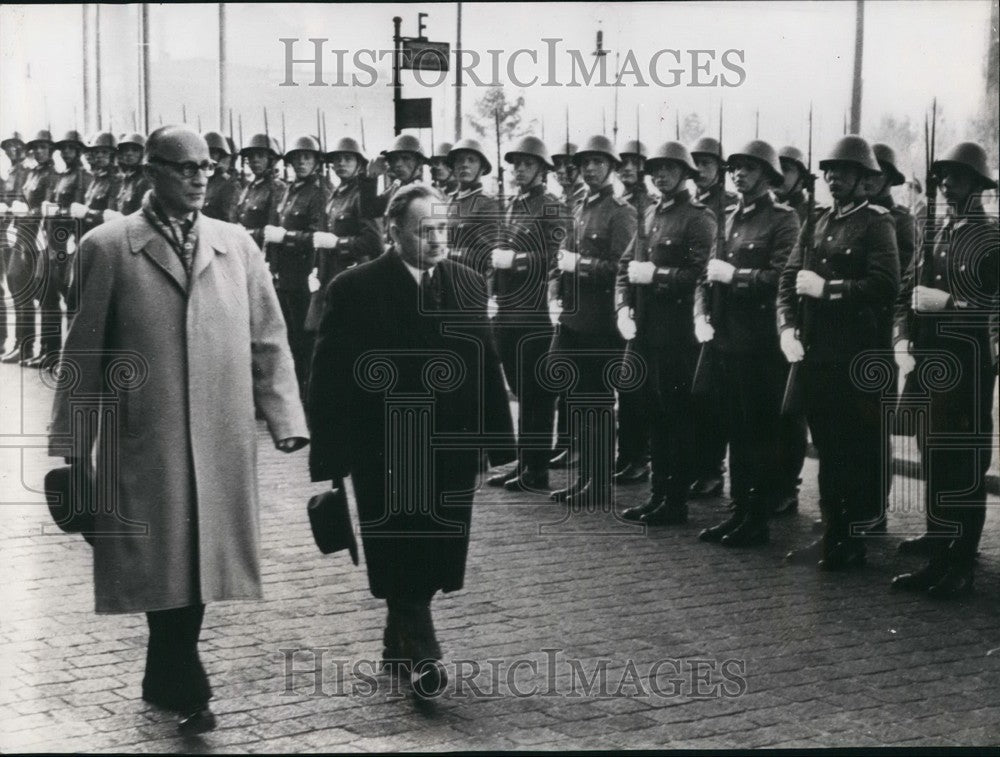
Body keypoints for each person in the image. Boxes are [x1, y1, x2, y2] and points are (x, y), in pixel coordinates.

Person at [47, 125, 308, 732]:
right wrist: (70, 450)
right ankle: (184, 673)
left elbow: (268, 337)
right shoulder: (108, 246)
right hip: (143, 435)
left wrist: (285, 417)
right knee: (159, 554)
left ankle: (165, 666)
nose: (197, 178)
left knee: (201, 556)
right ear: (153, 172)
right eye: (183, 167)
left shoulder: (236, 243)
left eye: (205, 169)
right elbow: (82, 354)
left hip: (219, 434)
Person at [308, 183, 514, 697]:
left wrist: (498, 441)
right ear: (393, 232)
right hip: (383, 448)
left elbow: (486, 362)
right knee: (399, 542)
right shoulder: (356, 288)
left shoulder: (467, 282)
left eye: (443, 229)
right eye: (426, 231)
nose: (438, 239)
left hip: (451, 445)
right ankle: (423, 648)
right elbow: (328, 376)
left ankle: (397, 639)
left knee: (439, 544)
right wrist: (330, 454)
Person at [779, 135, 899, 570]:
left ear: (863, 179)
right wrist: (787, 326)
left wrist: (828, 289)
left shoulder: (877, 224)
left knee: (851, 450)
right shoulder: (817, 221)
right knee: (828, 450)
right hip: (817, 357)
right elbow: (789, 278)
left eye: (844, 173)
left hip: (855, 358)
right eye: (829, 172)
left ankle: (850, 540)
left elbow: (886, 286)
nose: (834, 179)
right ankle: (833, 534)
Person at [891, 141, 998, 598]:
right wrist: (900, 336)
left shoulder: (991, 236)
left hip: (968, 366)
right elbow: (906, 289)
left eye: (956, 177)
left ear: (976, 184)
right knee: (932, 457)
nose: (946, 185)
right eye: (942, 178)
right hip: (928, 363)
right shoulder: (934, 231)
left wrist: (952, 303)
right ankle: (939, 552)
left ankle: (959, 565)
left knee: (964, 465)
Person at [695, 140, 799, 546]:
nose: (739, 174)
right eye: (735, 168)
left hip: (760, 345)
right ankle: (738, 511)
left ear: (768, 176)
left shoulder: (784, 220)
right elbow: (707, 276)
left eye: (749, 169)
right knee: (735, 429)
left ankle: (756, 516)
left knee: (758, 433)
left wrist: (735, 277)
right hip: (725, 341)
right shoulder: (726, 218)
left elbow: (781, 279)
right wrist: (702, 314)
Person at [616, 141, 713, 526]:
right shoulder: (648, 214)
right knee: (652, 413)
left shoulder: (698, 217)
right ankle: (658, 494)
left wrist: (658, 275)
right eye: (655, 170)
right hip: (646, 332)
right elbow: (626, 265)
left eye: (669, 170)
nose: (660, 176)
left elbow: (701, 274)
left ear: (685, 174)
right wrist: (623, 304)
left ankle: (675, 501)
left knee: (675, 417)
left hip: (677, 335)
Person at [549, 135, 637, 509]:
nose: (589, 169)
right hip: (574, 318)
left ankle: (598, 482)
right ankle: (586, 477)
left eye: (598, 163)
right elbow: (562, 256)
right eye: (584, 163)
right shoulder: (580, 205)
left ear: (612, 168)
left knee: (598, 403)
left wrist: (579, 266)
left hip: (601, 324)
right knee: (579, 402)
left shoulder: (621, 211)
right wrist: (556, 285)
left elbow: (622, 268)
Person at [487, 136, 571, 491]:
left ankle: (536, 469)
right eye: (515, 164)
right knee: (521, 390)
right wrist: (491, 291)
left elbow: (556, 259)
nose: (518, 169)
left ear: (541, 169)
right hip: (506, 311)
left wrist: (518, 261)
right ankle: (524, 461)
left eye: (526, 164)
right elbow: (497, 253)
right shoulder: (511, 205)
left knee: (536, 393)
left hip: (534, 312)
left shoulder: (550, 206)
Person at [864, 142, 917, 533]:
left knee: (874, 425)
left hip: (881, 334)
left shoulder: (898, 219)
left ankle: (874, 506)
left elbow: (901, 279)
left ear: (889, 179)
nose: (870, 180)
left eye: (878, 174)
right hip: (851, 333)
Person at [688, 136, 737, 499]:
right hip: (701, 313)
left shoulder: (728, 206)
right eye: (697, 163)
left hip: (730, 313)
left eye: (707, 163)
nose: (700, 170)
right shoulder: (696, 205)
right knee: (700, 397)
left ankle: (712, 469)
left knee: (719, 401)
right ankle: (701, 464)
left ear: (720, 169)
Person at [263, 135, 330, 397]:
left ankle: (307, 394)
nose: (301, 162)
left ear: (316, 162)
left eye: (307, 157)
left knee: (305, 339)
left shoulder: (319, 193)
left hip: (305, 274)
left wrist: (286, 237)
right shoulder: (291, 190)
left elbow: (317, 235)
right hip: (285, 275)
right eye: (297, 158)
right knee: (289, 336)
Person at [613, 140, 657, 486]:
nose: (627, 168)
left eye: (634, 163)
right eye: (622, 163)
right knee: (628, 388)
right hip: (628, 312)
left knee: (642, 392)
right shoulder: (632, 205)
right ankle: (628, 455)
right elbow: (626, 263)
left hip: (656, 315)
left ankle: (638, 457)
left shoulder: (646, 206)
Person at [34, 130, 91, 368]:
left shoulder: (83, 177)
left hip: (69, 244)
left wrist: (61, 213)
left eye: (71, 148)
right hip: (53, 243)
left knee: (71, 299)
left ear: (78, 151)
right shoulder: (61, 176)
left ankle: (68, 356)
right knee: (46, 294)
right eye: (63, 148)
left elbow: (82, 212)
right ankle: (50, 350)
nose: (66, 152)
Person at [311, 136, 382, 324]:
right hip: (331, 275)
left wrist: (337, 243)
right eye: (337, 159)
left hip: (354, 275)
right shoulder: (335, 194)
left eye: (348, 159)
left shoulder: (362, 195)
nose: (341, 163)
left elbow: (374, 243)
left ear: (359, 164)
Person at [2, 130, 56, 365]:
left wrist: (26, 211)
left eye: (43, 147)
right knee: (17, 285)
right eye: (8, 147)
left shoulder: (51, 174)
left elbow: (47, 205)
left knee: (41, 293)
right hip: (21, 232)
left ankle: (41, 348)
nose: (38, 151)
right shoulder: (30, 172)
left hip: (39, 236)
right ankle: (23, 345)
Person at [446, 138, 501, 280]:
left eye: (471, 160)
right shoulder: (447, 201)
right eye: (459, 160)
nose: (464, 164)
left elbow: (485, 253)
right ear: (453, 167)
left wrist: (447, 254)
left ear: (482, 168)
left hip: (470, 280)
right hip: (445, 278)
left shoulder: (488, 204)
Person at [0, 131, 30, 353]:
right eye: (9, 147)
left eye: (16, 146)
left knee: (20, 284)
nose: (13, 150)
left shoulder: (28, 172)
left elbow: (26, 201)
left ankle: (25, 344)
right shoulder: (8, 173)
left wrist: (11, 209)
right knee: (12, 284)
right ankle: (17, 342)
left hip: (26, 231)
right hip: (8, 230)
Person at [234, 133, 286, 251]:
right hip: (243, 247)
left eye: (260, 156)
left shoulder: (277, 188)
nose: (255, 160)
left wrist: (247, 233)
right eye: (251, 157)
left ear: (271, 160)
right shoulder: (249, 187)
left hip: (261, 251)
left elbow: (273, 228)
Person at [200, 131, 240, 222]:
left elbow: (229, 220)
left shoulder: (228, 184)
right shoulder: (203, 180)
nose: (209, 157)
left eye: (213, 153)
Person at [112, 132, 151, 216]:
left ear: (143, 154)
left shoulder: (145, 181)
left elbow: (142, 214)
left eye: (135, 150)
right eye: (126, 150)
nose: (129, 153)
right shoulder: (126, 179)